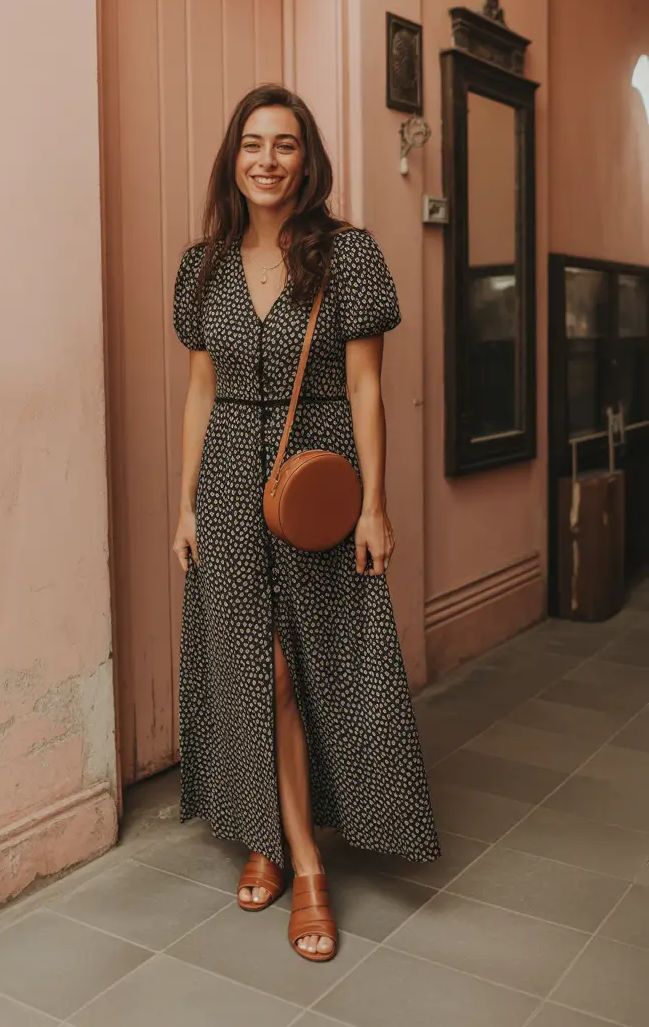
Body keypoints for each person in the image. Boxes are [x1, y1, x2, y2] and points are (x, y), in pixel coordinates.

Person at [172, 84, 440, 963]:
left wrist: (376, 503)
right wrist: (184, 505)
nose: (267, 161)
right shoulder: (201, 265)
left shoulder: (347, 255)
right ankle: (285, 844)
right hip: (225, 488)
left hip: (314, 481)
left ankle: (296, 852)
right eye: (252, 143)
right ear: (232, 156)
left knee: (313, 660)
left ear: (307, 159)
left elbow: (367, 387)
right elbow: (202, 392)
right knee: (255, 666)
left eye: (285, 145)